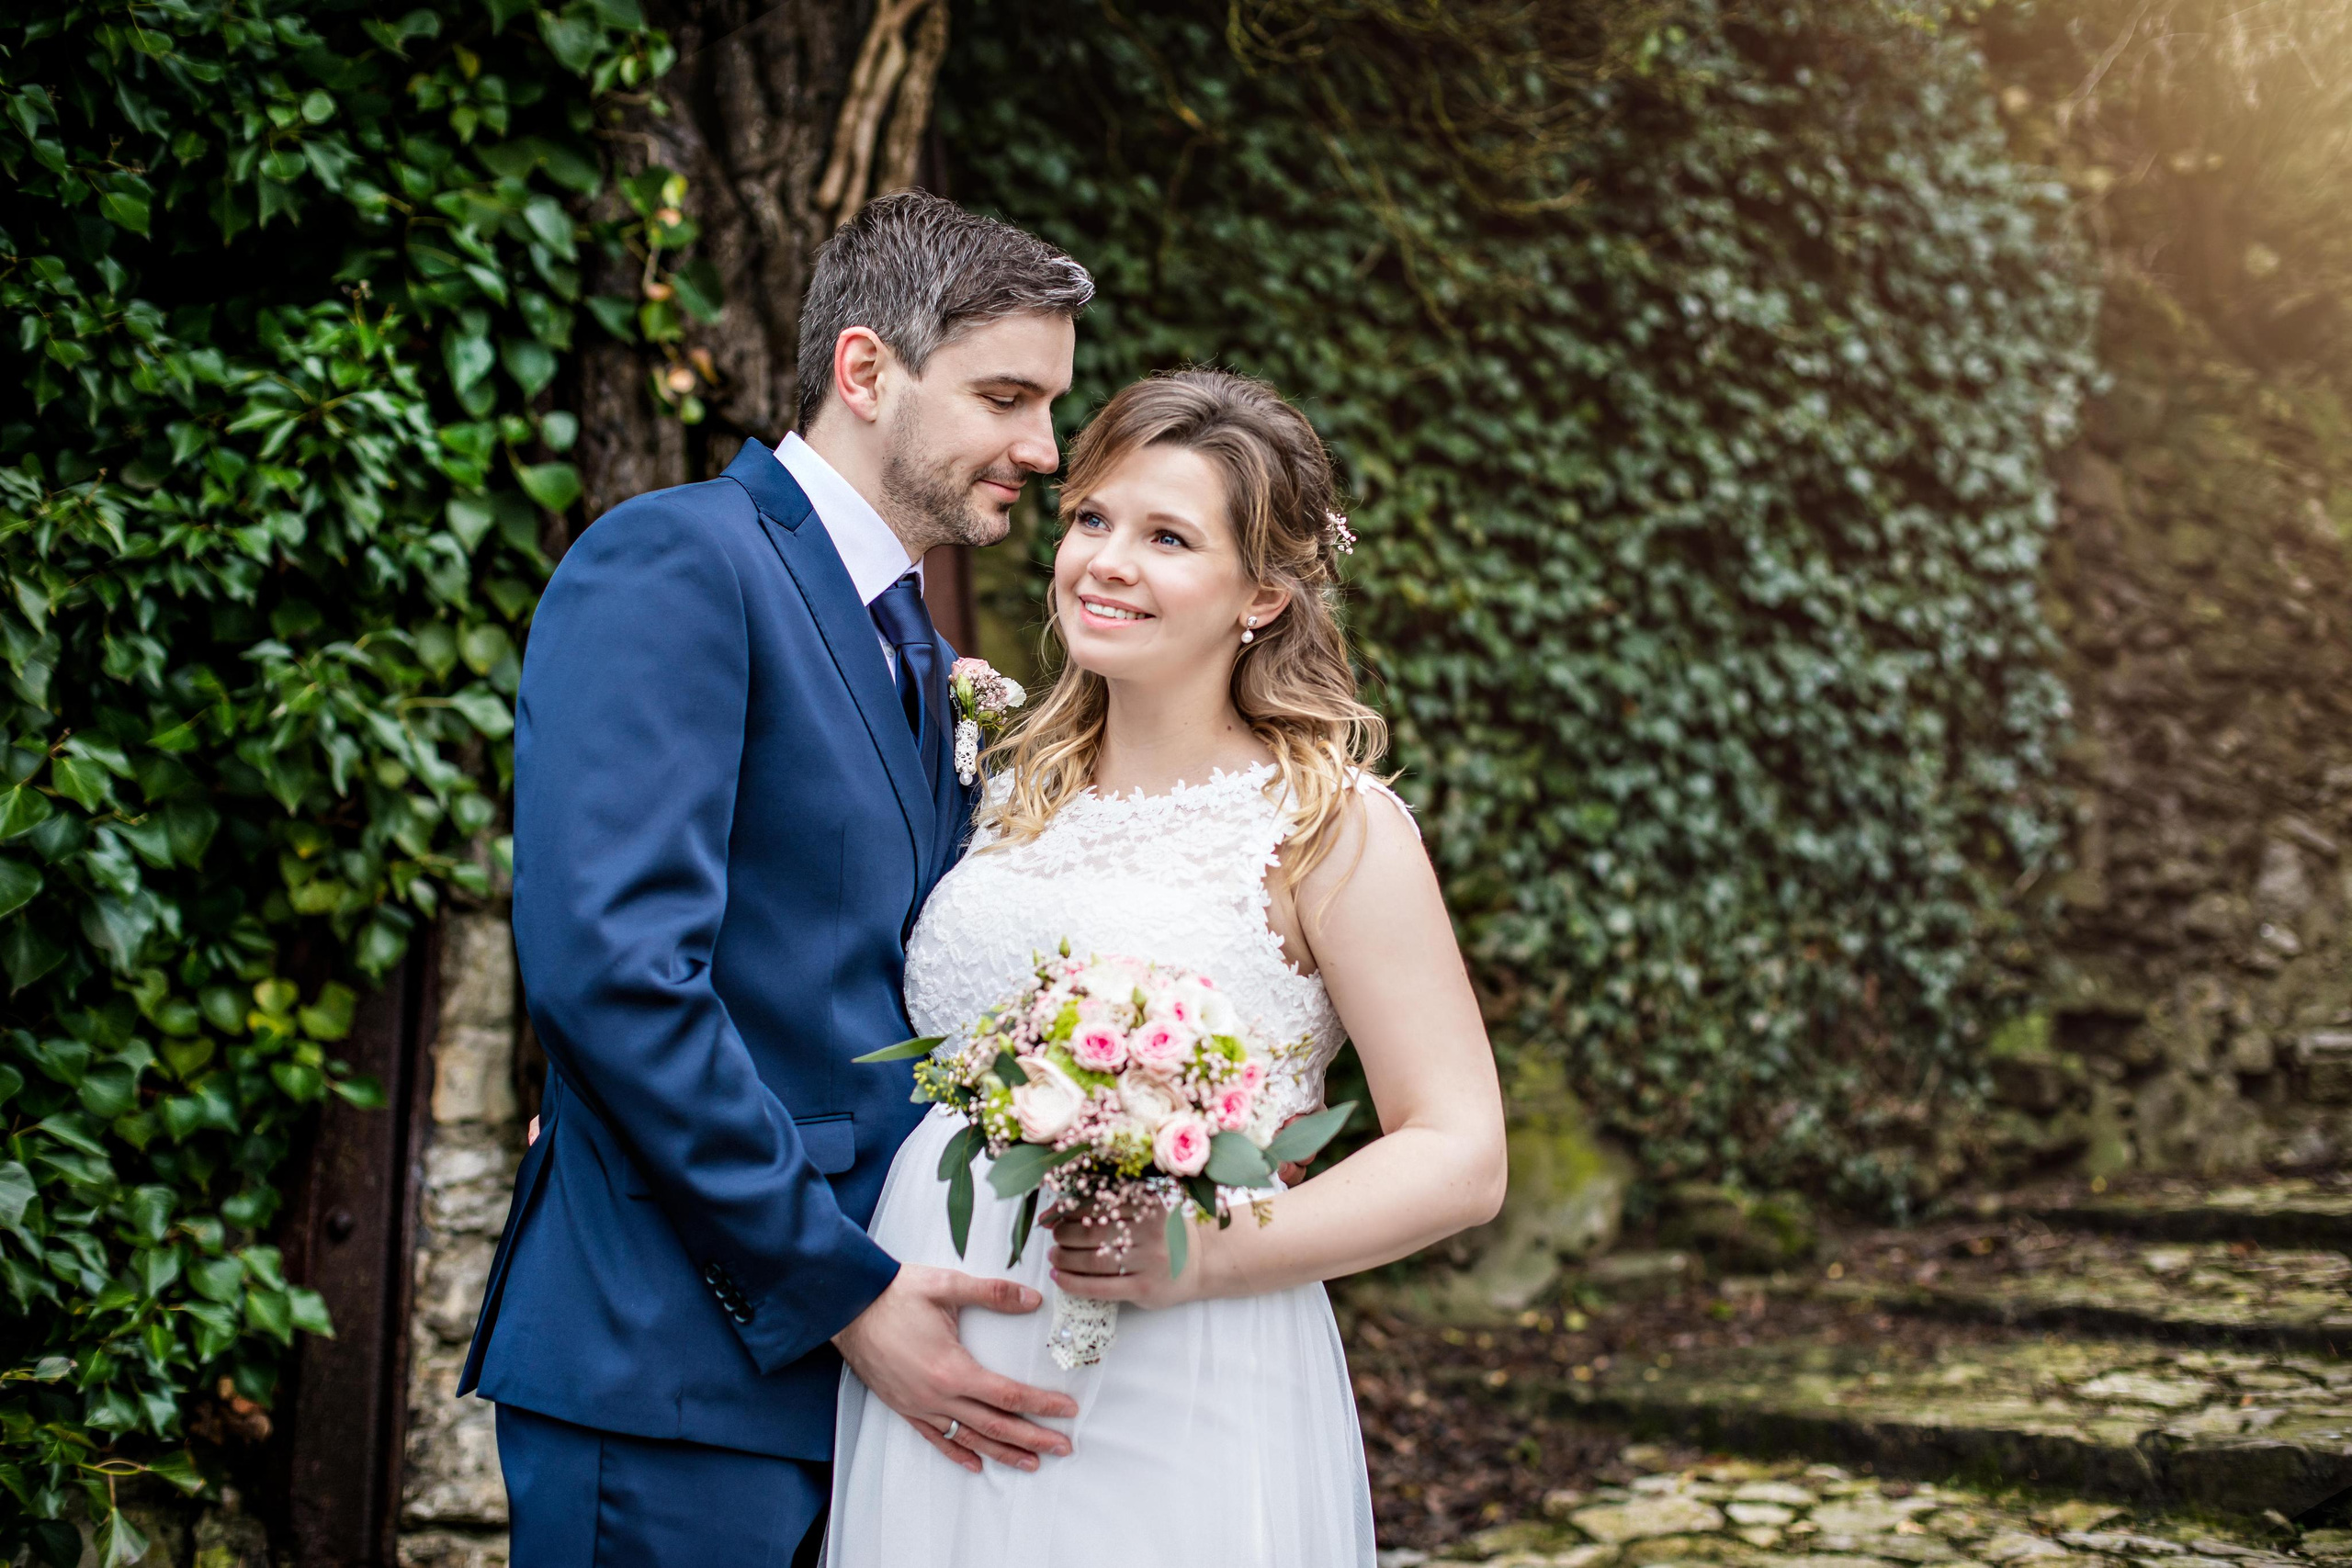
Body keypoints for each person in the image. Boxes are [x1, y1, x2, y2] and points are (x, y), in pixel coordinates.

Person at [458, 191, 1098, 1564]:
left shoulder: (912, 641)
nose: (1043, 451)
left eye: (1049, 406)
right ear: (865, 371)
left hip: (844, 1392)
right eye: (1005, 396)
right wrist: (844, 1291)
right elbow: (616, 973)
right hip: (675, 1375)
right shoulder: (677, 563)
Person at [825, 368, 1509, 1565]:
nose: (1106, 561)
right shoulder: (991, 789)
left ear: (1261, 596)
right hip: (931, 1356)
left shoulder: (1328, 828)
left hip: (1179, 1367)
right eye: (1091, 518)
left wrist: (1202, 1256)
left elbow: (1459, 1153)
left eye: (1166, 537)